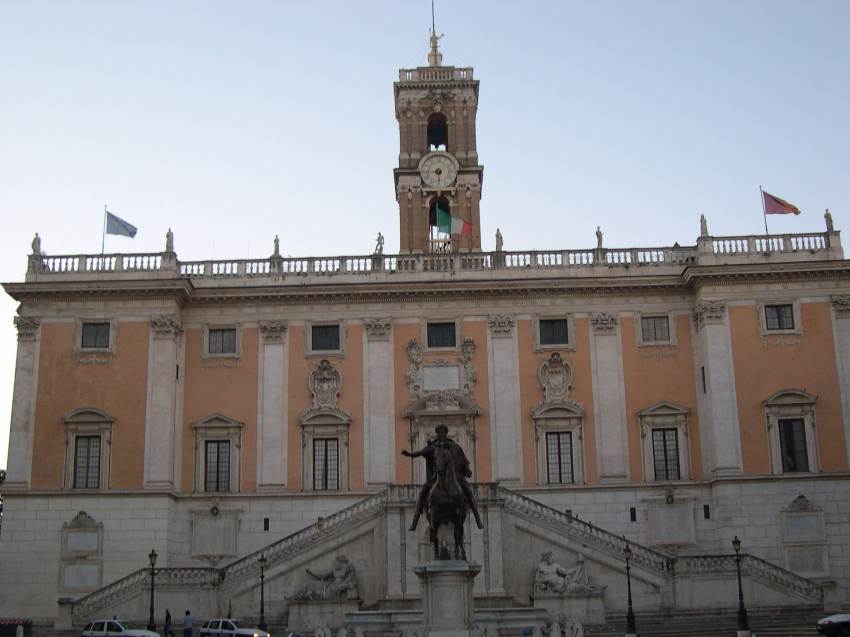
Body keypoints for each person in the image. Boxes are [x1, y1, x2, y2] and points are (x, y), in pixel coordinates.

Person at [402, 424, 484, 530]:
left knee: (469, 492)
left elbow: (464, 460)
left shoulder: (455, 446)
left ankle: (478, 519)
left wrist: (467, 469)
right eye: (439, 433)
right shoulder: (432, 447)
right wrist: (409, 454)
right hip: (437, 476)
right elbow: (420, 453)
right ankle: (415, 521)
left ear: (446, 433)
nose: (441, 434)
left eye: (443, 432)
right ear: (437, 434)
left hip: (457, 476)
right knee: (422, 492)